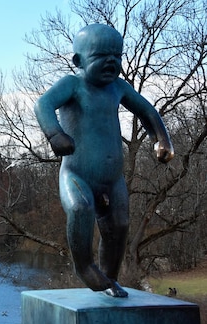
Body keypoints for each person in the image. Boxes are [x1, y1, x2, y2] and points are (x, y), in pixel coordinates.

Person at [34, 24, 174, 297]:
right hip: (76, 174)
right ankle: (84, 266)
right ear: (79, 60)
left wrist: (161, 139)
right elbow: (43, 104)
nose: (112, 62)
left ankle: (110, 279)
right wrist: (54, 134)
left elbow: (147, 111)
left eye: (117, 56)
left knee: (119, 225)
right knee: (80, 209)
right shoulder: (72, 84)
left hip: (113, 179)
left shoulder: (117, 88)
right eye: (101, 56)